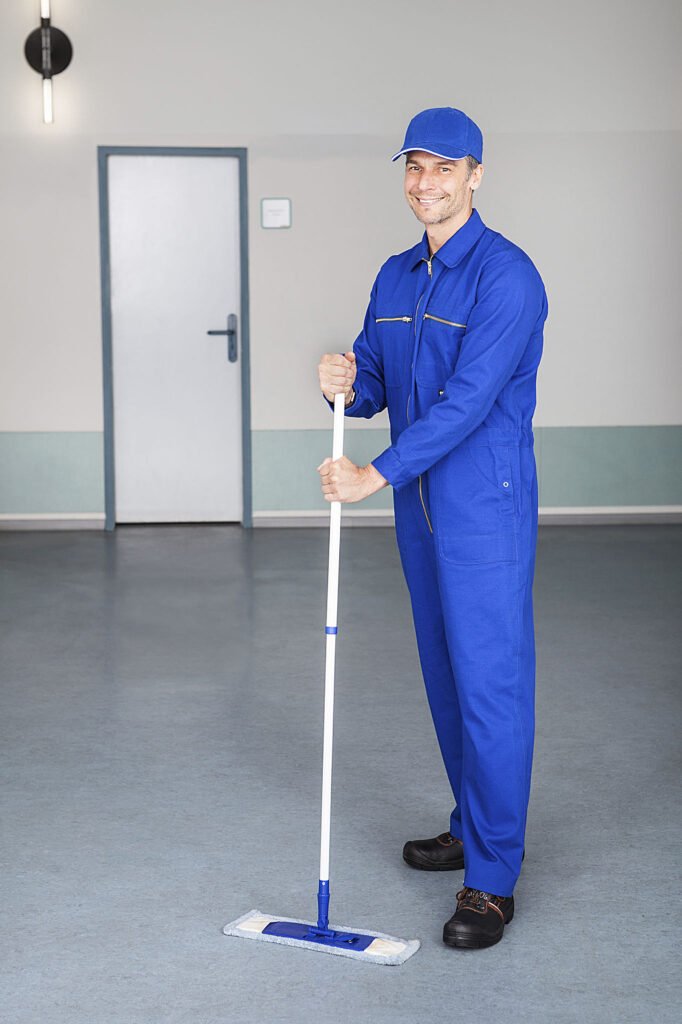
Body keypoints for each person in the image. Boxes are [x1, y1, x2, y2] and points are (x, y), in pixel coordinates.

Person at [316, 106, 549, 950]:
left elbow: (468, 401)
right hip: (420, 513)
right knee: (447, 681)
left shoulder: (507, 277)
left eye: (444, 168)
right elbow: (375, 383)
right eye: (415, 167)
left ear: (476, 175)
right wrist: (342, 378)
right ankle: (470, 820)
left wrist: (375, 472)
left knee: (491, 687)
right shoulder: (394, 275)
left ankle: (490, 878)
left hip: (483, 512)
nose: (427, 183)